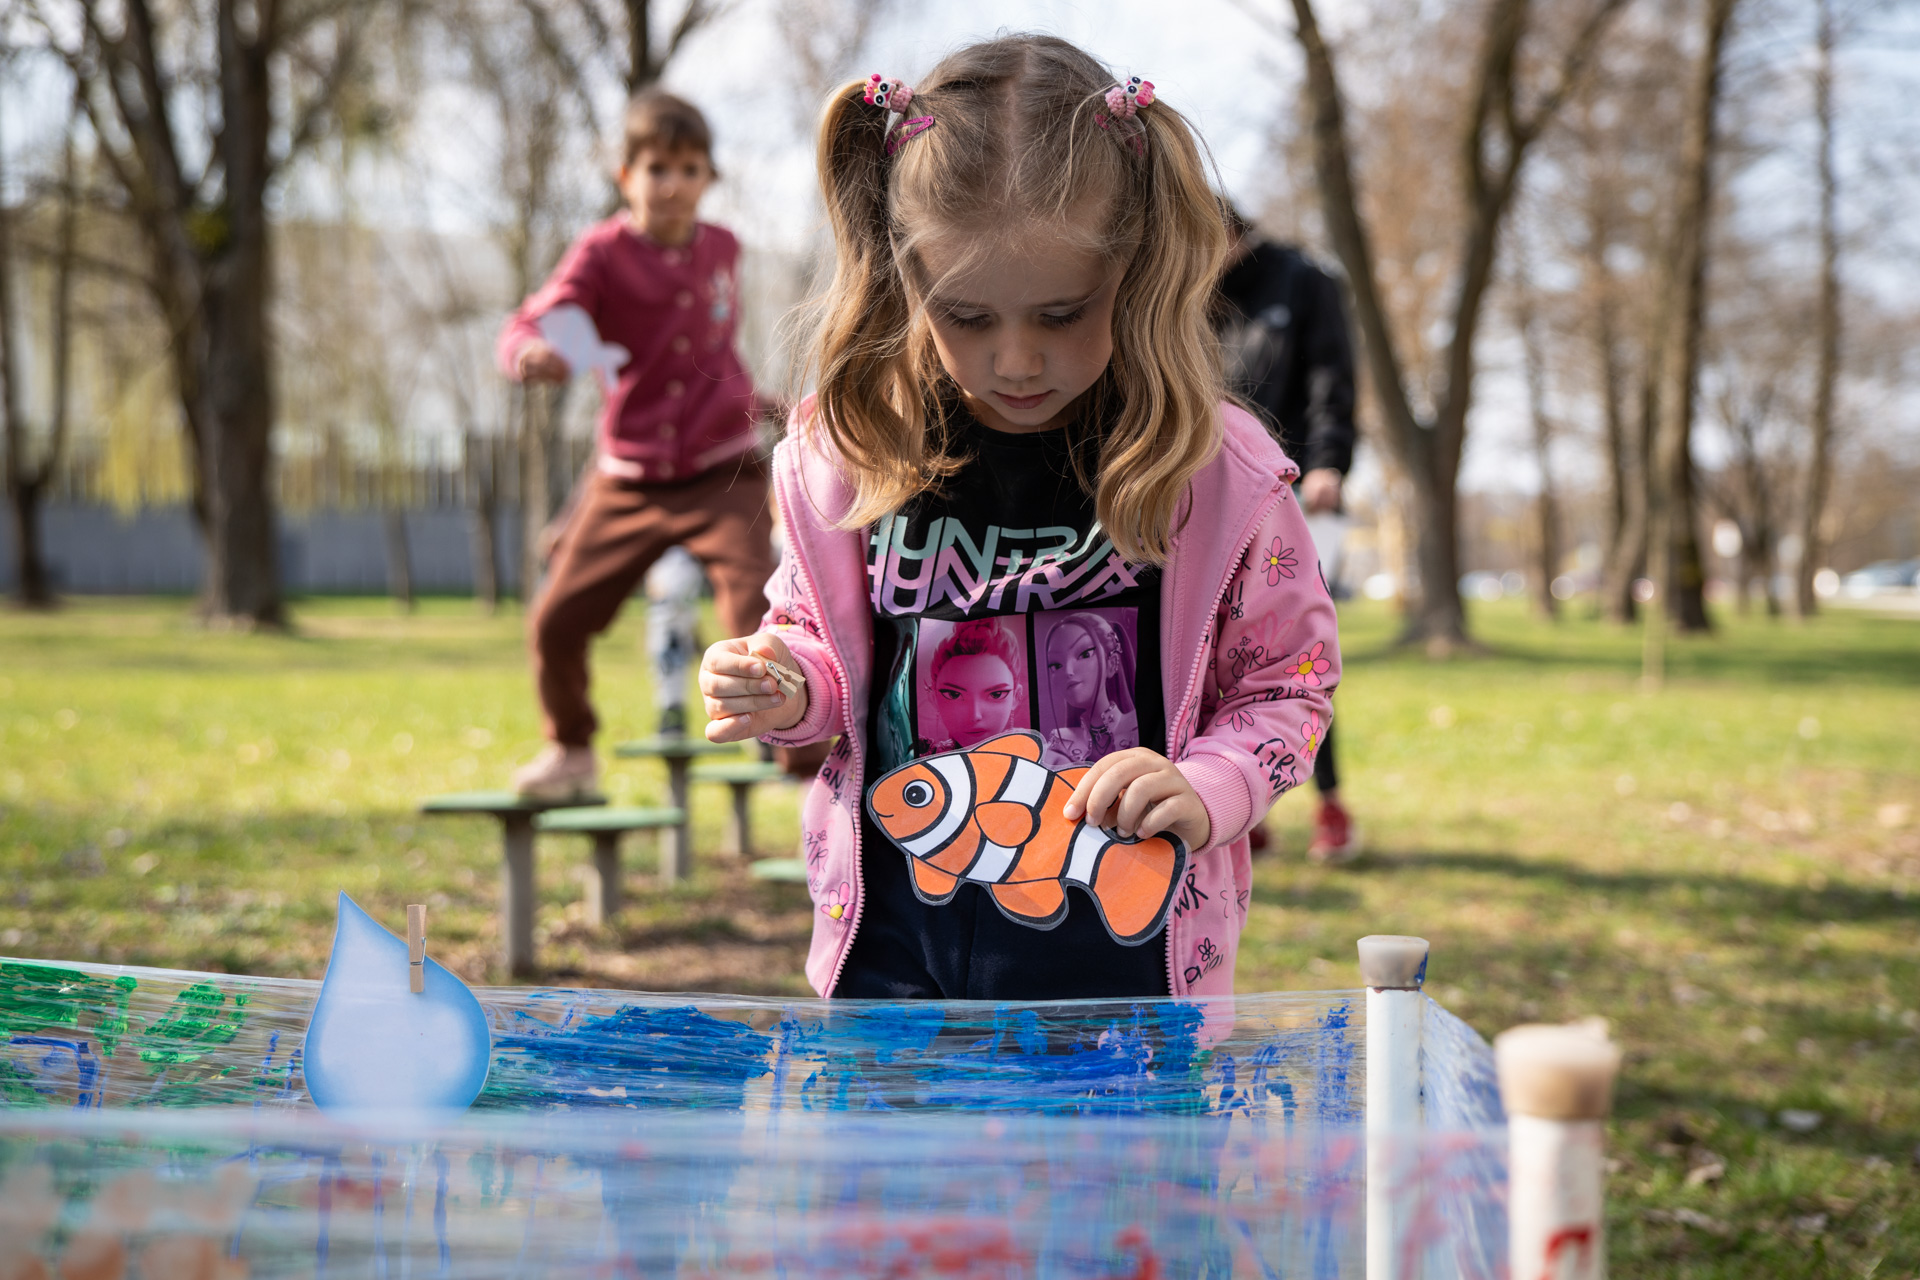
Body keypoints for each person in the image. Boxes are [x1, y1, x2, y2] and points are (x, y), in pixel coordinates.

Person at [696, 38, 1340, 1001]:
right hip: (894, 977)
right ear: (904, 280)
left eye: (1060, 313)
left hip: (1129, 984)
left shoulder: (1214, 473)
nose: (1016, 362)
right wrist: (788, 686)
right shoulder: (856, 451)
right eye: (967, 315)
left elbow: (1290, 685)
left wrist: (1210, 788)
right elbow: (828, 652)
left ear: (1135, 266)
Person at [499, 91, 774, 799]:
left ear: (709, 177)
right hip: (631, 475)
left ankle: (800, 762)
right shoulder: (601, 252)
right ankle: (571, 753)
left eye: (689, 168)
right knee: (557, 618)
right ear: (626, 177)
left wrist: (755, 401)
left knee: (761, 611)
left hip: (723, 468)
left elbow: (713, 351)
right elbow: (533, 320)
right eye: (656, 168)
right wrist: (530, 352)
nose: (673, 184)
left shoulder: (723, 248)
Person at [1214, 206, 1359, 864]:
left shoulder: (1302, 280)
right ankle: (1245, 804)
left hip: (1298, 486)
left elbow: (1332, 374)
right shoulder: (1190, 292)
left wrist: (1330, 460)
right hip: (1217, 491)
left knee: (1297, 655)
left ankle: (1330, 803)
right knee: (1219, 660)